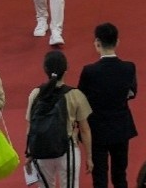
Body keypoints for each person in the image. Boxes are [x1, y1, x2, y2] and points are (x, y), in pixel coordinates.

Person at [78, 24, 139, 188]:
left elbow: (81, 99)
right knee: (120, 176)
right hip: (121, 128)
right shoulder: (129, 68)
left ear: (97, 42)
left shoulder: (89, 71)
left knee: (99, 178)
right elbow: (132, 93)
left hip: (97, 131)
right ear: (117, 42)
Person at [23, 49, 94, 188]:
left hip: (41, 151)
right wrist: (89, 157)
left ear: (45, 69)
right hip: (67, 151)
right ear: (66, 69)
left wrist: (29, 153)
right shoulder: (76, 95)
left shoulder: (35, 94)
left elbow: (30, 127)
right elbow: (85, 130)